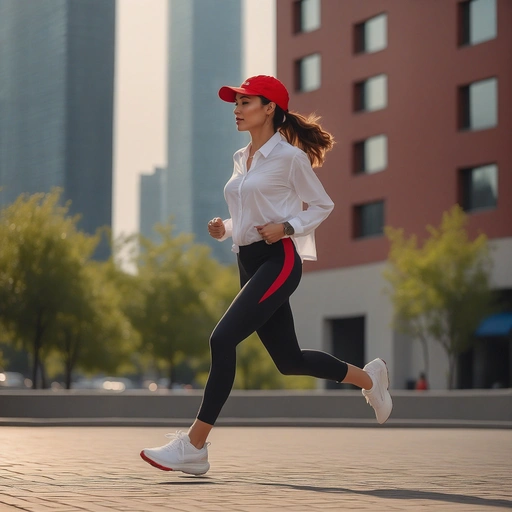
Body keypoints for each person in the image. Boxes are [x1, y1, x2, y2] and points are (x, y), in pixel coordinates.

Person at [140, 75, 393, 475]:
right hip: (249, 261)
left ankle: (194, 445)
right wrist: (226, 226)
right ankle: (370, 378)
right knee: (289, 361)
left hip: (280, 260)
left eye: (245, 103)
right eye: (235, 104)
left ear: (269, 107)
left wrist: (288, 227)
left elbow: (321, 205)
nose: (237, 110)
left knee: (221, 339)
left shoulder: (290, 158)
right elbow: (250, 214)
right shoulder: (242, 157)